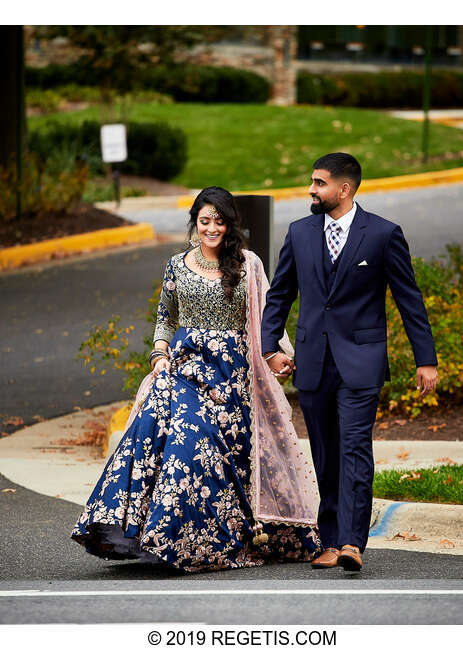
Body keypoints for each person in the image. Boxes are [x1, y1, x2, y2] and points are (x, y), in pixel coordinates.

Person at [71, 186, 321, 572]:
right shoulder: (176, 264)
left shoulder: (248, 264)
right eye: (205, 221)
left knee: (218, 452)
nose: (211, 228)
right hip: (184, 368)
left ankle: (207, 541)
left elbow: (267, 317)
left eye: (219, 221)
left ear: (229, 224)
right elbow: (165, 319)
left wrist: (276, 355)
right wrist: (158, 356)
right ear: (195, 222)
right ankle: (156, 536)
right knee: (177, 432)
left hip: (231, 376)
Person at [260, 153, 439, 573]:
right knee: (325, 453)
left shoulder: (382, 234)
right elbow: (280, 294)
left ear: (344, 189)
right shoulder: (300, 233)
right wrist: (272, 348)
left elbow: (409, 299)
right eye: (312, 182)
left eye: (319, 183)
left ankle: (352, 543)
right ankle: (328, 540)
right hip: (313, 361)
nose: (311, 189)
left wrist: (425, 359)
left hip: (361, 361)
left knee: (355, 447)